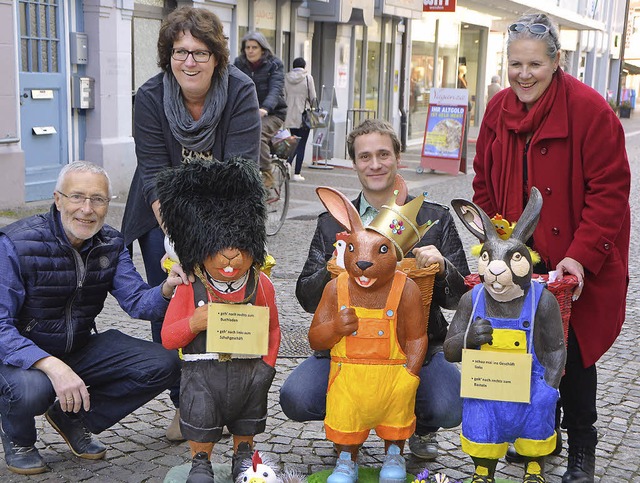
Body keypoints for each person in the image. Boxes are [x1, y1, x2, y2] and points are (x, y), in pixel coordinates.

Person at [472, 13, 630, 483]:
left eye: (535, 64)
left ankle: (583, 445)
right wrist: (493, 242)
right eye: (515, 63)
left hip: (575, 255)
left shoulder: (590, 110)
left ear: (556, 61)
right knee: (523, 346)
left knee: (574, 352)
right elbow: (482, 179)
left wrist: (580, 256)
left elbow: (610, 190)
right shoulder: (498, 107)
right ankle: (541, 434)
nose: (524, 74)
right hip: (517, 258)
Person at [279, 118, 470, 461]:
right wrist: (334, 268)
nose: (375, 164)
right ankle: (350, 423)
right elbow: (306, 298)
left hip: (415, 351)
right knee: (297, 397)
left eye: (383, 154)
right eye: (365, 157)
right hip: (345, 351)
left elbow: (460, 297)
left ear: (398, 156)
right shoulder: (331, 223)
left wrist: (443, 266)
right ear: (353, 164)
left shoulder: (434, 217)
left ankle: (417, 426)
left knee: (449, 405)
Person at [121, 6, 261, 441]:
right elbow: (154, 175)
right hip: (160, 215)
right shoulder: (148, 97)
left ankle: (227, 398)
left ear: (217, 57)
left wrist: (213, 241)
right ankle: (185, 403)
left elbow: (240, 171)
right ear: (168, 56)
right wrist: (180, 242)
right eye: (180, 52)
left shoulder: (240, 90)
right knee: (172, 307)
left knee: (226, 304)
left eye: (200, 52)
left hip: (226, 212)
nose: (189, 62)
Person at [0, 161, 185, 475]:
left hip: (78, 346)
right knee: (34, 389)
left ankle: (72, 418)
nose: (87, 209)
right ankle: (19, 440)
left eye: (98, 199)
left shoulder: (110, 243)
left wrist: (168, 288)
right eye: (77, 197)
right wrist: (50, 364)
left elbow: (138, 302)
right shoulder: (15, 243)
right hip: (19, 357)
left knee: (165, 364)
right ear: (58, 199)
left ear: (108, 204)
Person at [157, 158, 281, 483]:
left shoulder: (260, 284)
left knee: (248, 420)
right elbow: (168, 338)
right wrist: (193, 324)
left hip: (250, 372)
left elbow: (273, 327)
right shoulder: (189, 286)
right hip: (203, 374)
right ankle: (201, 460)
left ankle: (244, 454)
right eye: (218, 248)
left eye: (240, 247)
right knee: (200, 414)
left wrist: (267, 366)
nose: (230, 256)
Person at [234, 31, 288, 184]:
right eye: (247, 47)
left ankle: (266, 174)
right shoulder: (239, 63)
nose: (250, 51)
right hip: (248, 112)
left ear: (262, 49)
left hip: (273, 113)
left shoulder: (274, 64)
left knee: (258, 134)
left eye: (254, 47)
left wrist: (265, 108)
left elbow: (276, 89)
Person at [284, 57, 317, 182]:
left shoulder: (286, 78)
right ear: (304, 66)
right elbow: (313, 97)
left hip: (290, 115)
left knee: (294, 142)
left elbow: (284, 95)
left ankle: (288, 164)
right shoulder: (308, 78)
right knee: (301, 145)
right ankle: (296, 173)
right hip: (304, 115)